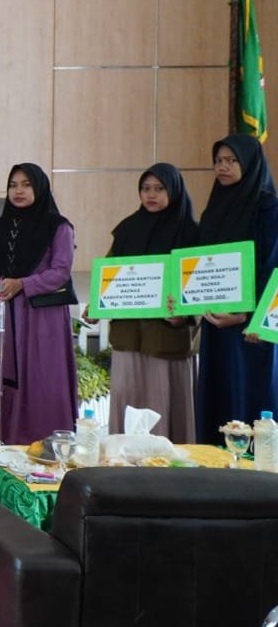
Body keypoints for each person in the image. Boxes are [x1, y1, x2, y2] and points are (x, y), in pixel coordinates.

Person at [82, 164, 199, 441]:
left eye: (159, 189)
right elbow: (110, 274)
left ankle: (168, 472)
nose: (151, 195)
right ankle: (125, 470)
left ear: (174, 191)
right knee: (128, 400)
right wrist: (98, 305)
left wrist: (186, 315)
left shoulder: (191, 234)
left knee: (163, 403)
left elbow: (201, 285)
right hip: (128, 337)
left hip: (167, 339)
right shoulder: (126, 230)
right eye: (146, 189)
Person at [0, 163, 78, 445]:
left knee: (43, 380)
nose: (19, 191)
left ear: (39, 188)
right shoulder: (0, 229)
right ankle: (10, 444)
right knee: (11, 381)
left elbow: (61, 271)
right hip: (9, 317)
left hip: (43, 316)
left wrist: (23, 284)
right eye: (13, 185)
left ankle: (49, 445)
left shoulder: (58, 227)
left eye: (26, 184)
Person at [196, 135, 278, 443]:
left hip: (251, 327)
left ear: (250, 163)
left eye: (232, 160)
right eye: (218, 160)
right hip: (217, 321)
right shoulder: (213, 210)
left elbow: (272, 266)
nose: (223, 167)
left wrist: (248, 314)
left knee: (252, 398)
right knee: (219, 395)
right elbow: (199, 264)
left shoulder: (268, 207)